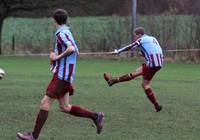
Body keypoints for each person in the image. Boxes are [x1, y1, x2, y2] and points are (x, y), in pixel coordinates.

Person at [17, 9, 104, 140]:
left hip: (62, 76)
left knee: (45, 103)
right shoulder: (66, 32)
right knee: (65, 107)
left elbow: (72, 49)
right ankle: (96, 116)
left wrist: (56, 58)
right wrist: (59, 57)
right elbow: (76, 50)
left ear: (54, 20)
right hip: (65, 75)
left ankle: (33, 136)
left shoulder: (62, 34)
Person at [104, 27, 163, 112]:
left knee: (145, 84)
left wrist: (118, 51)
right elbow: (154, 50)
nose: (134, 38)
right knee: (135, 73)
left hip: (151, 64)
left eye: (135, 36)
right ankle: (112, 81)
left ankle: (156, 105)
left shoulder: (142, 39)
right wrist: (143, 54)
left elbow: (131, 46)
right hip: (158, 63)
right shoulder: (152, 38)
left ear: (139, 35)